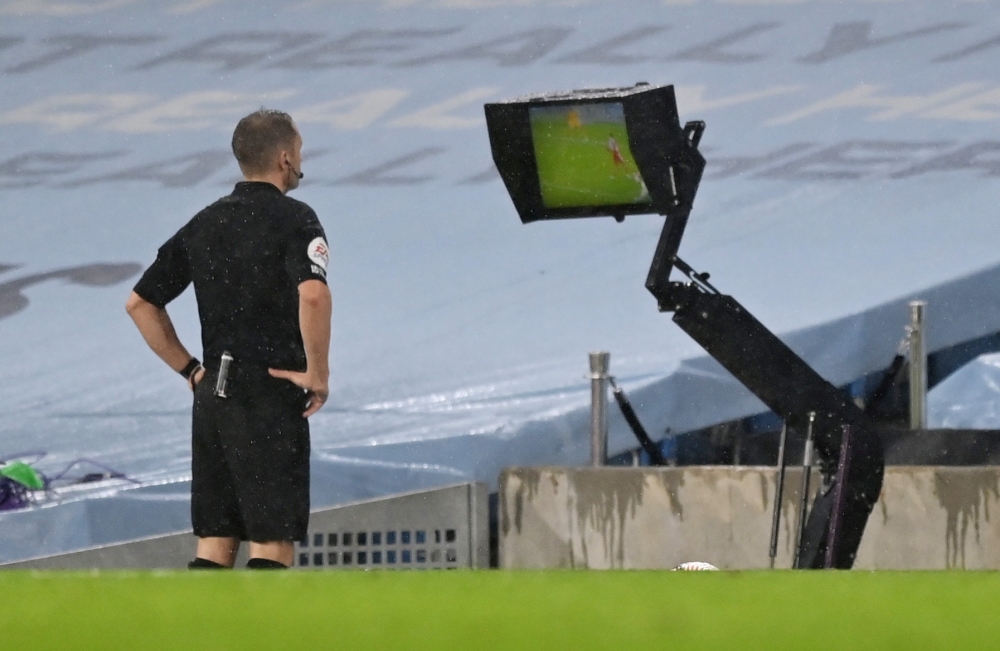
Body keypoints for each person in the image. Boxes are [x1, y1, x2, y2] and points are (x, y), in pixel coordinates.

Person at [125, 109, 331, 569]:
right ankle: (265, 638)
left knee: (216, 542)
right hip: (269, 391)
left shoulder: (206, 222)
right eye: (299, 151)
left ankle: (199, 636)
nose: (301, 160)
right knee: (271, 539)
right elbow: (313, 296)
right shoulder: (296, 219)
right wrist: (317, 372)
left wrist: (191, 370)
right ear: (284, 158)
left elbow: (140, 304)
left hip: (213, 396)